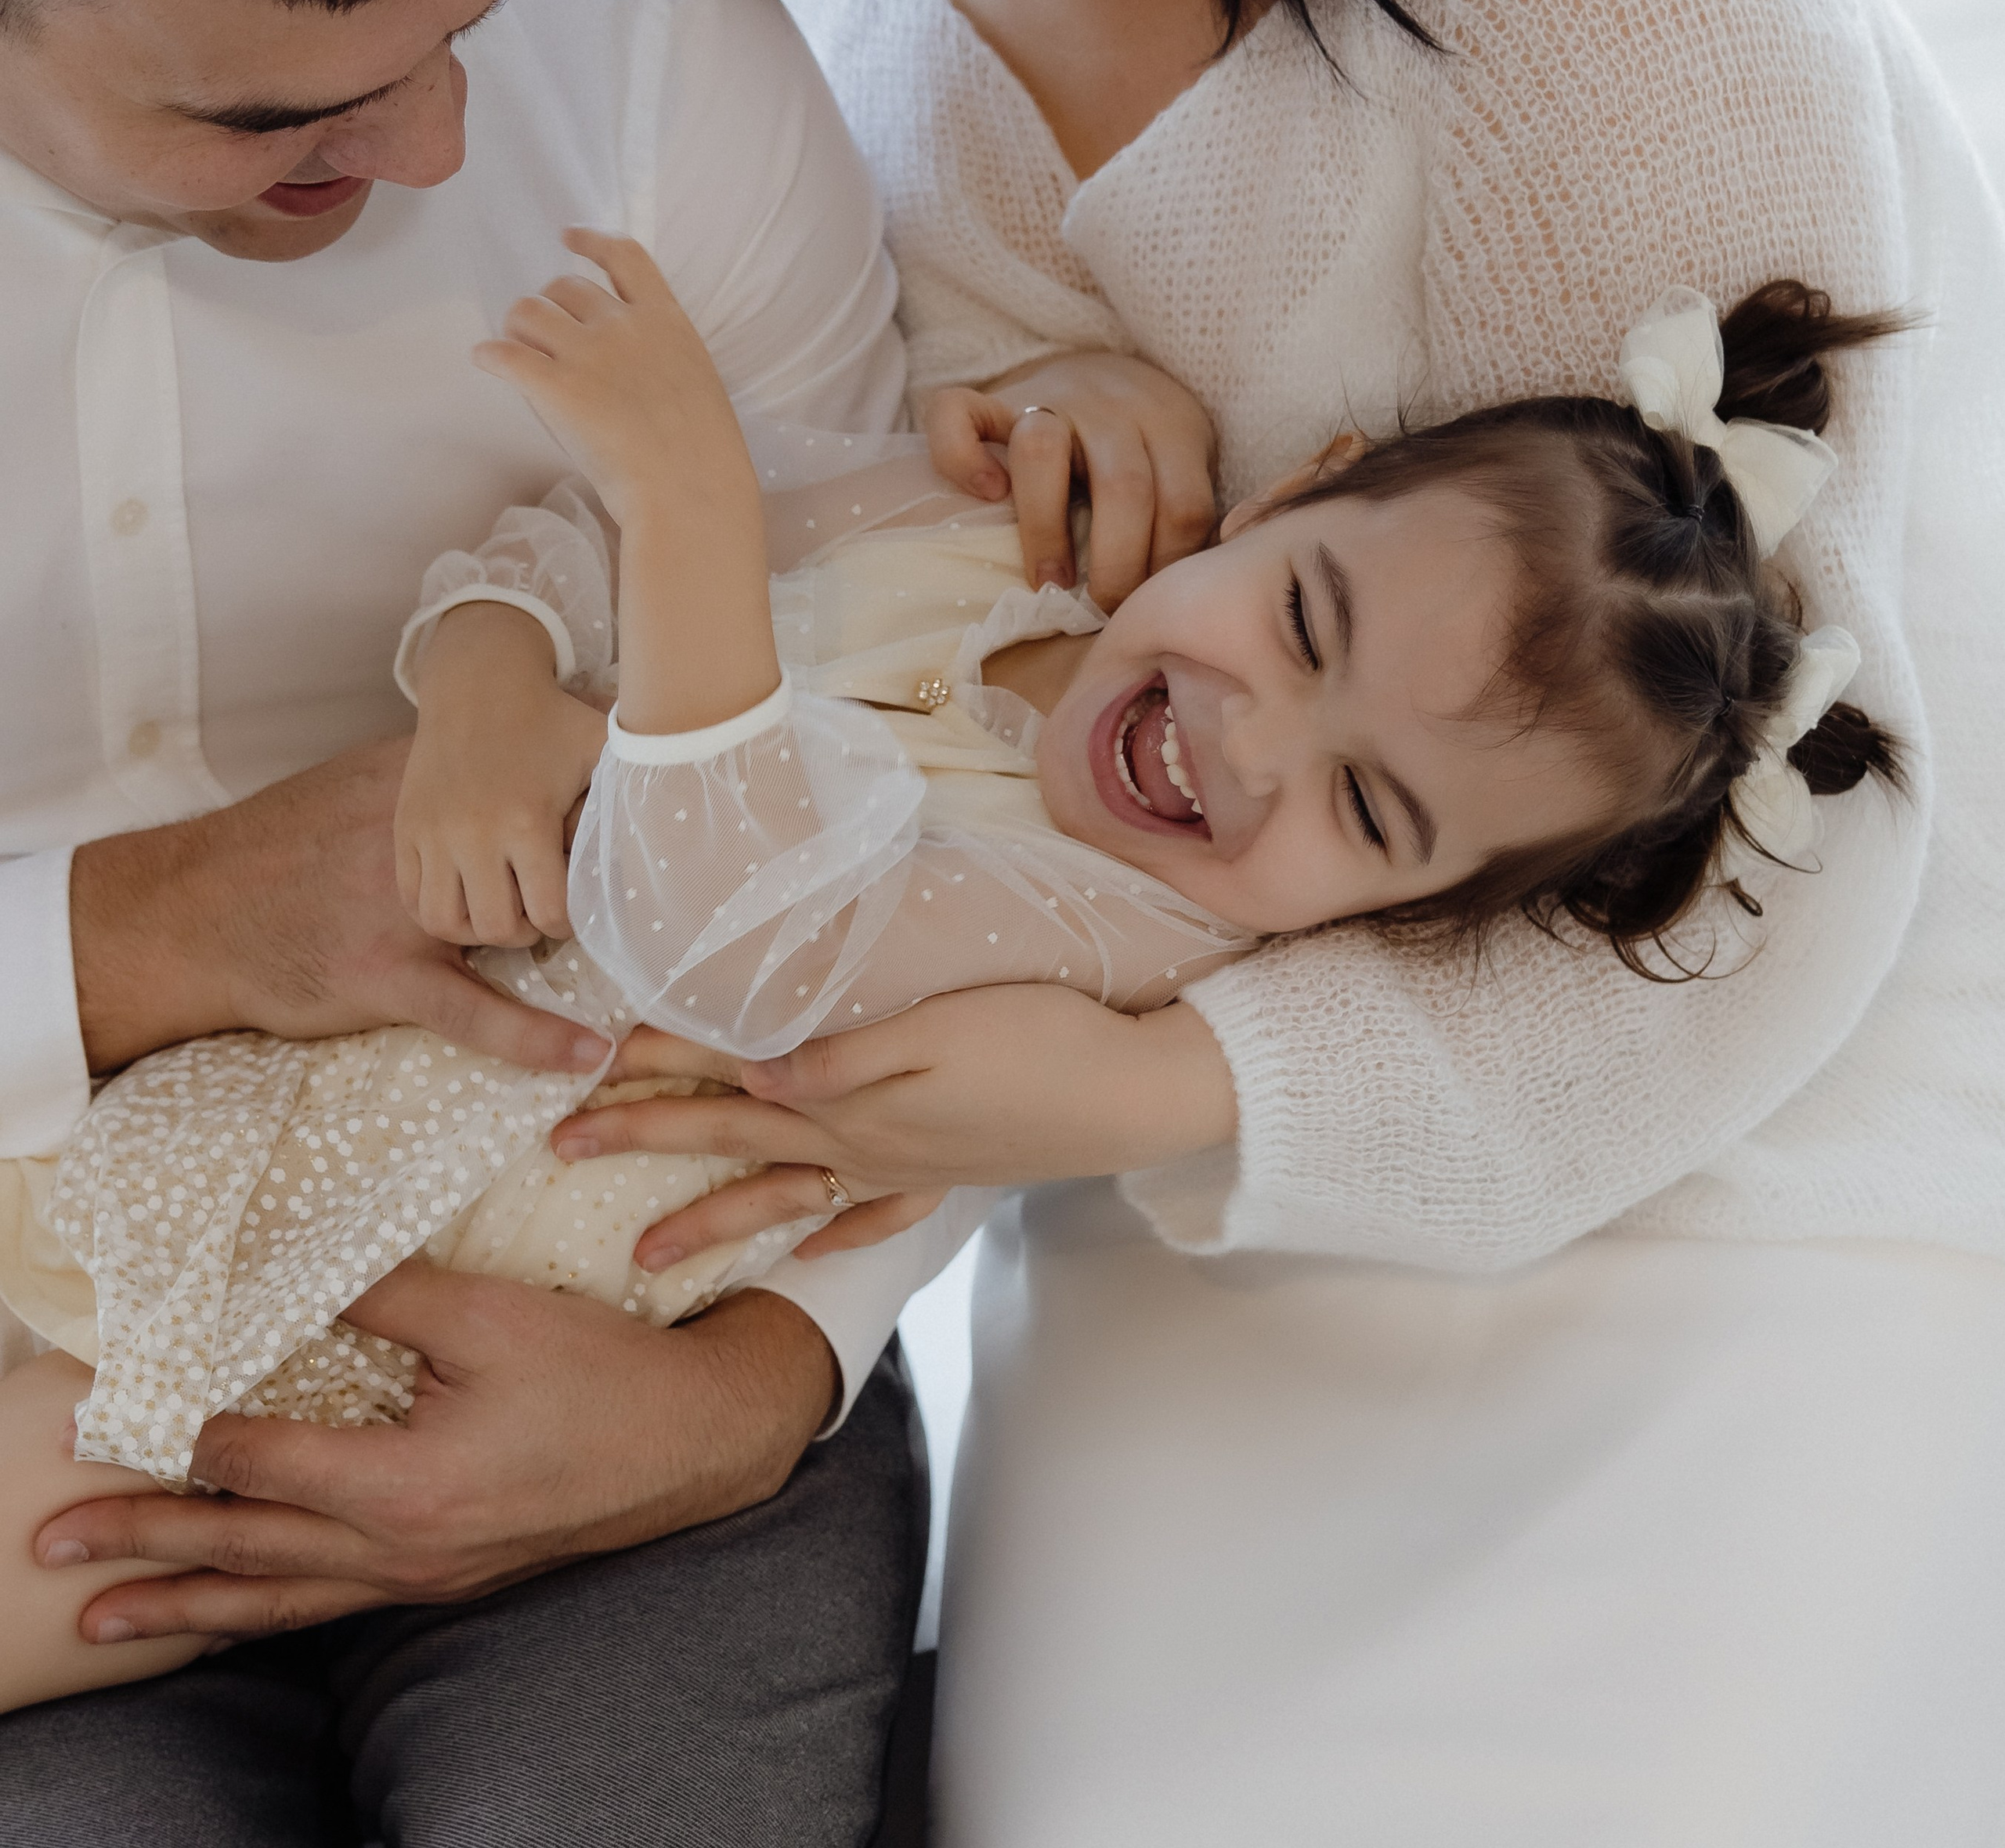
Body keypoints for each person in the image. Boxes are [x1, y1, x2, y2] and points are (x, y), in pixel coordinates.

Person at [545, 0, 2005, 1848]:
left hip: (1774, 1041)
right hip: (1211, 1191)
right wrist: (1005, 453)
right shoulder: (813, 42)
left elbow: (1795, 776)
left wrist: (1164, 1098)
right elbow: (893, 685)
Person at [0, 0, 995, 1848]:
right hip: (44, 1368)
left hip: (637, 1287)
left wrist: (748, 1377)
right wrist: (162, 929)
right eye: (287, 115)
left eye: (467, 11)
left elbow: (914, 755)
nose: (437, 147)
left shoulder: (677, 48)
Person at [8, 251, 1898, 1691]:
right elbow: (565, 554)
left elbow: (740, 939)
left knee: (65, 1533)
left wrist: (684, 501)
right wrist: (490, 675)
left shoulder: (1119, 948)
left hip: (384, 1307)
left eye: (1367, 810)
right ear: (1287, 489)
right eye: (1303, 620)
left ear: (1392, 916)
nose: (1248, 749)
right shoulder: (961, 539)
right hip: (215, 1064)